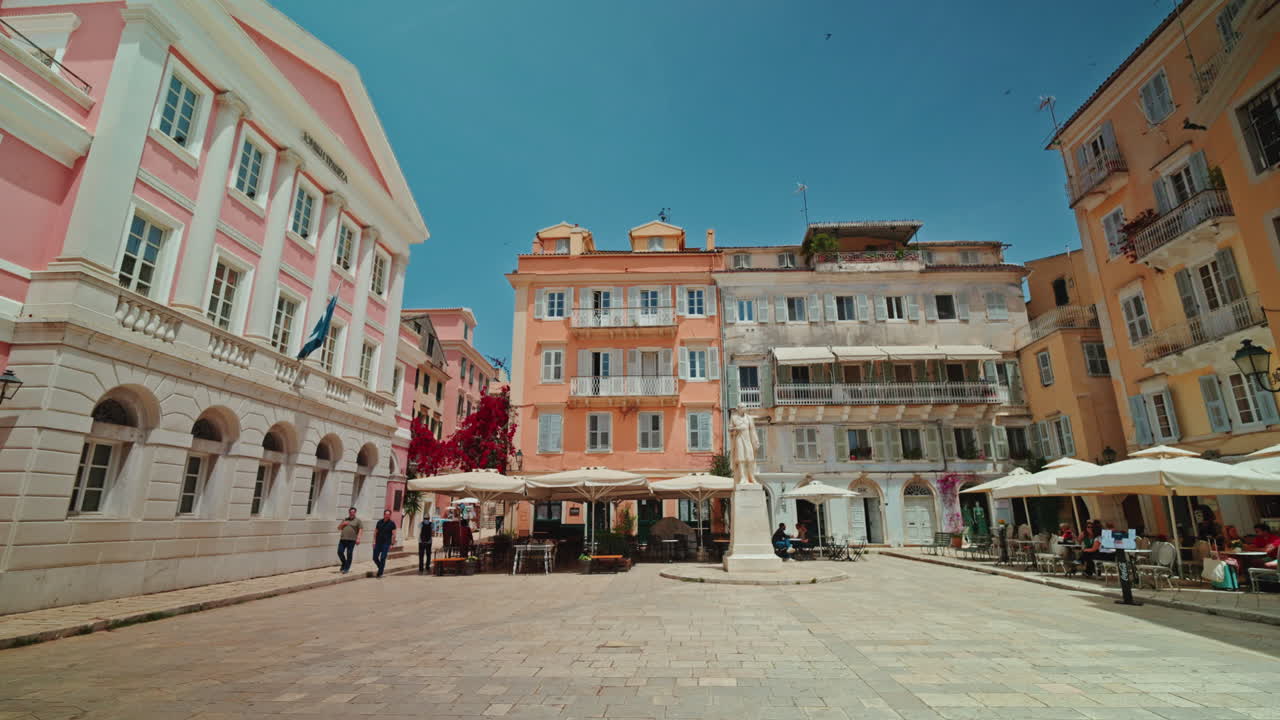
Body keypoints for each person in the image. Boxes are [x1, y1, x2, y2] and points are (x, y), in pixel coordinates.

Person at [337, 507, 362, 574]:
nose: (352, 513)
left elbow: (360, 530)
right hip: (343, 539)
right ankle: (344, 563)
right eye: (351, 512)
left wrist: (358, 538)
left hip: (352, 540)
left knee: (349, 553)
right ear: (349, 512)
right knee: (340, 552)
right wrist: (343, 524)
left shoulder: (358, 521)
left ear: (355, 513)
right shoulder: (345, 519)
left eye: (353, 512)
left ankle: (346, 568)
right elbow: (339, 528)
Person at [372, 509, 396, 578]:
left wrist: (392, 544)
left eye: (389, 514)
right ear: (384, 514)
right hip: (378, 543)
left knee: (383, 558)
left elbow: (394, 534)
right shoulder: (379, 522)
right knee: (374, 558)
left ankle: (380, 573)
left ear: (390, 515)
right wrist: (374, 541)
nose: (387, 516)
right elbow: (375, 532)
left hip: (386, 543)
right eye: (386, 514)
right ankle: (381, 568)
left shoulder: (392, 523)